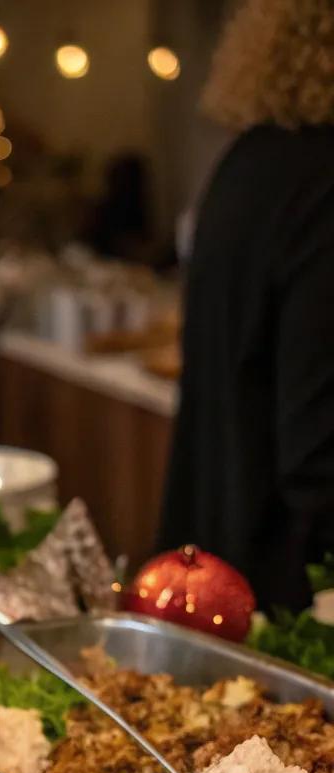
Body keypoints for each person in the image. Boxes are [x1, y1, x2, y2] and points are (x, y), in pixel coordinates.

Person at [159, 0, 334, 611]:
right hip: (286, 603)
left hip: (214, 563)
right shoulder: (323, 182)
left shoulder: (248, 160)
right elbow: (319, 453)